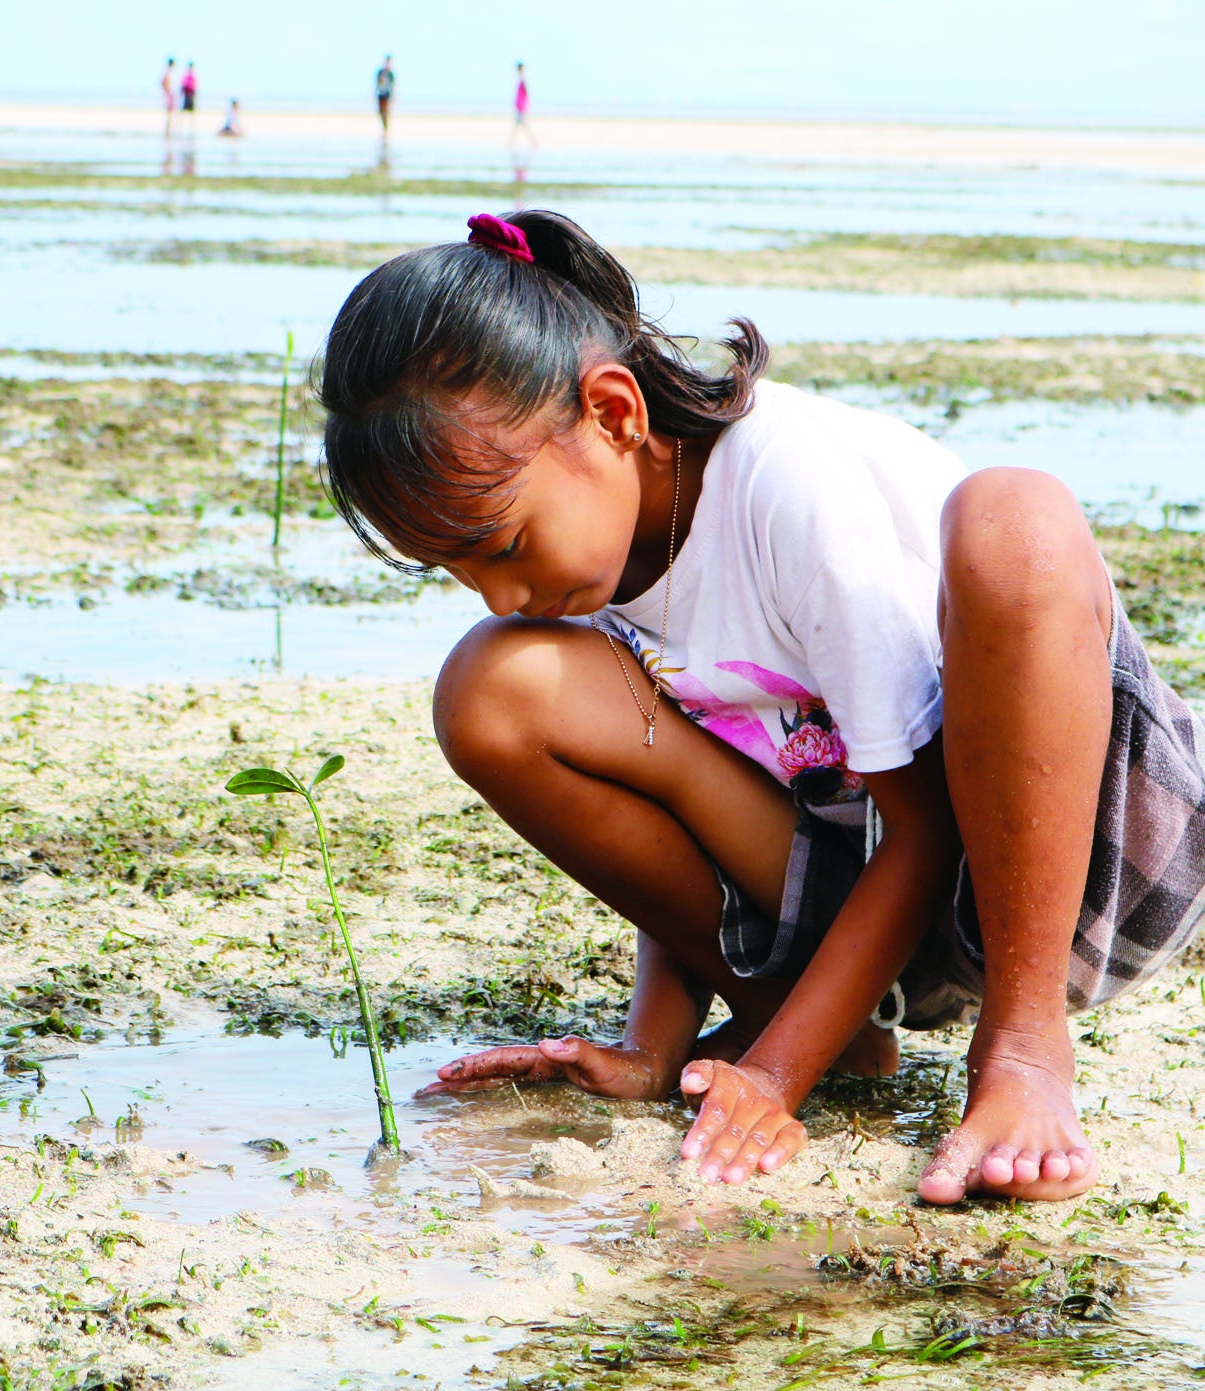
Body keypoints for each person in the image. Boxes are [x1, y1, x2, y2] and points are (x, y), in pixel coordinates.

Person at [317, 210, 1205, 1205]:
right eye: (454, 568)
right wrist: (653, 1049)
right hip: (878, 905)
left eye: (505, 545)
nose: (497, 593)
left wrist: (776, 1080)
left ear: (613, 415)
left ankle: (1025, 1050)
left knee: (1016, 516)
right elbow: (685, 792)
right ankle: (819, 1029)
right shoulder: (601, 559)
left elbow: (924, 827)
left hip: (1071, 862)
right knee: (493, 688)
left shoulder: (784, 491)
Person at [511, 61, 535, 148]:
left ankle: (533, 143)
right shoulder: (520, 79)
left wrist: (525, 105)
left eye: (519, 69)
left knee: (523, 125)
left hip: (522, 107)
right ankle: (511, 143)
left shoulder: (523, 79)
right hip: (520, 106)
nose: (518, 70)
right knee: (518, 125)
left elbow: (527, 93)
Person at [375, 55, 395, 136]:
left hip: (387, 94)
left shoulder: (390, 74)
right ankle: (384, 127)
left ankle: (385, 129)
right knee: (380, 111)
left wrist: (393, 96)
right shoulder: (380, 72)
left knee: (386, 111)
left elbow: (393, 86)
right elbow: (377, 83)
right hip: (380, 93)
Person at [160, 58, 177, 139]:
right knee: (169, 114)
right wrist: (167, 91)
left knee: (170, 114)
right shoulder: (168, 72)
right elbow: (163, 82)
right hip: (169, 95)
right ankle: (168, 132)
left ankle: (169, 132)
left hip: (170, 95)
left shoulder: (169, 72)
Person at [180, 61, 198, 132]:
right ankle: (183, 128)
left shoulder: (191, 75)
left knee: (190, 113)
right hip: (188, 95)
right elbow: (184, 85)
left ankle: (191, 129)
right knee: (186, 112)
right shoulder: (188, 75)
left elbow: (194, 86)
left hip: (190, 95)